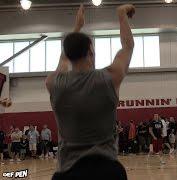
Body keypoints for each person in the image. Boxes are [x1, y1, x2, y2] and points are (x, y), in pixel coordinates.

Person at [46, 4, 135, 175]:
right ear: (90, 52)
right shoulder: (109, 78)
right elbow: (127, 46)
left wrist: (77, 27)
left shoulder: (53, 83)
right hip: (107, 171)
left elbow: (63, 61)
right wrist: (121, 15)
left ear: (69, 54)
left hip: (68, 172)